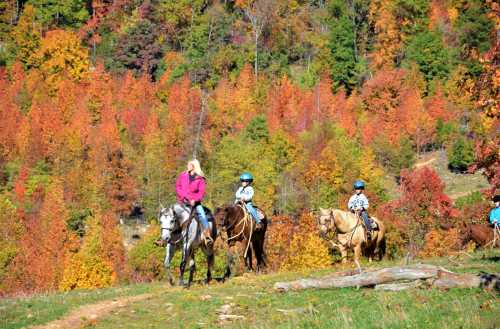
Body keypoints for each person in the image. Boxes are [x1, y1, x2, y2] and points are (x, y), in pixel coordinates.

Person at [175, 159, 212, 243]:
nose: (187, 166)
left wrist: (194, 200)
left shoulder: (200, 179)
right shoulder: (183, 175)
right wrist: (184, 196)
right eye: (188, 164)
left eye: (190, 165)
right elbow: (178, 186)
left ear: (194, 166)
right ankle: (164, 237)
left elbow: (201, 192)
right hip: (183, 201)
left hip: (195, 203)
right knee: (171, 214)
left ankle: (207, 235)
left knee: (202, 215)